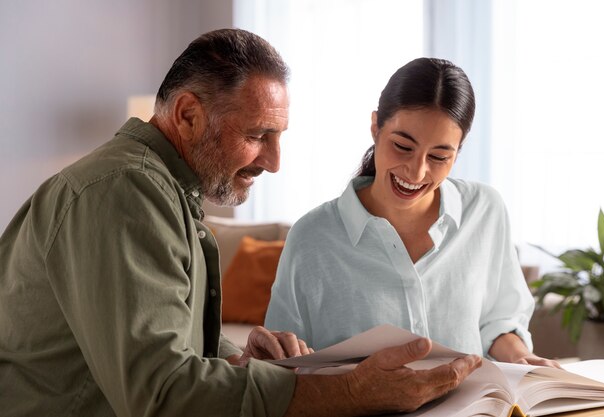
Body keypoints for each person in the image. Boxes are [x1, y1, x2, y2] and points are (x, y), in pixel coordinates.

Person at [0, 29, 482, 417]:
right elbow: (161, 394)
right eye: (257, 135)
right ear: (188, 115)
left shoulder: (164, 193)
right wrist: (354, 391)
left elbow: (164, 348)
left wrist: (237, 359)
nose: (273, 162)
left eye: (278, 136)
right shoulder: (122, 194)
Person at [265, 57, 560, 368]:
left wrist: (522, 357)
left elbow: (498, 321)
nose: (417, 172)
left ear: (458, 152)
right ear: (376, 126)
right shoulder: (312, 238)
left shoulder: (485, 211)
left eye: (439, 156)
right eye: (403, 147)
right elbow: (283, 362)